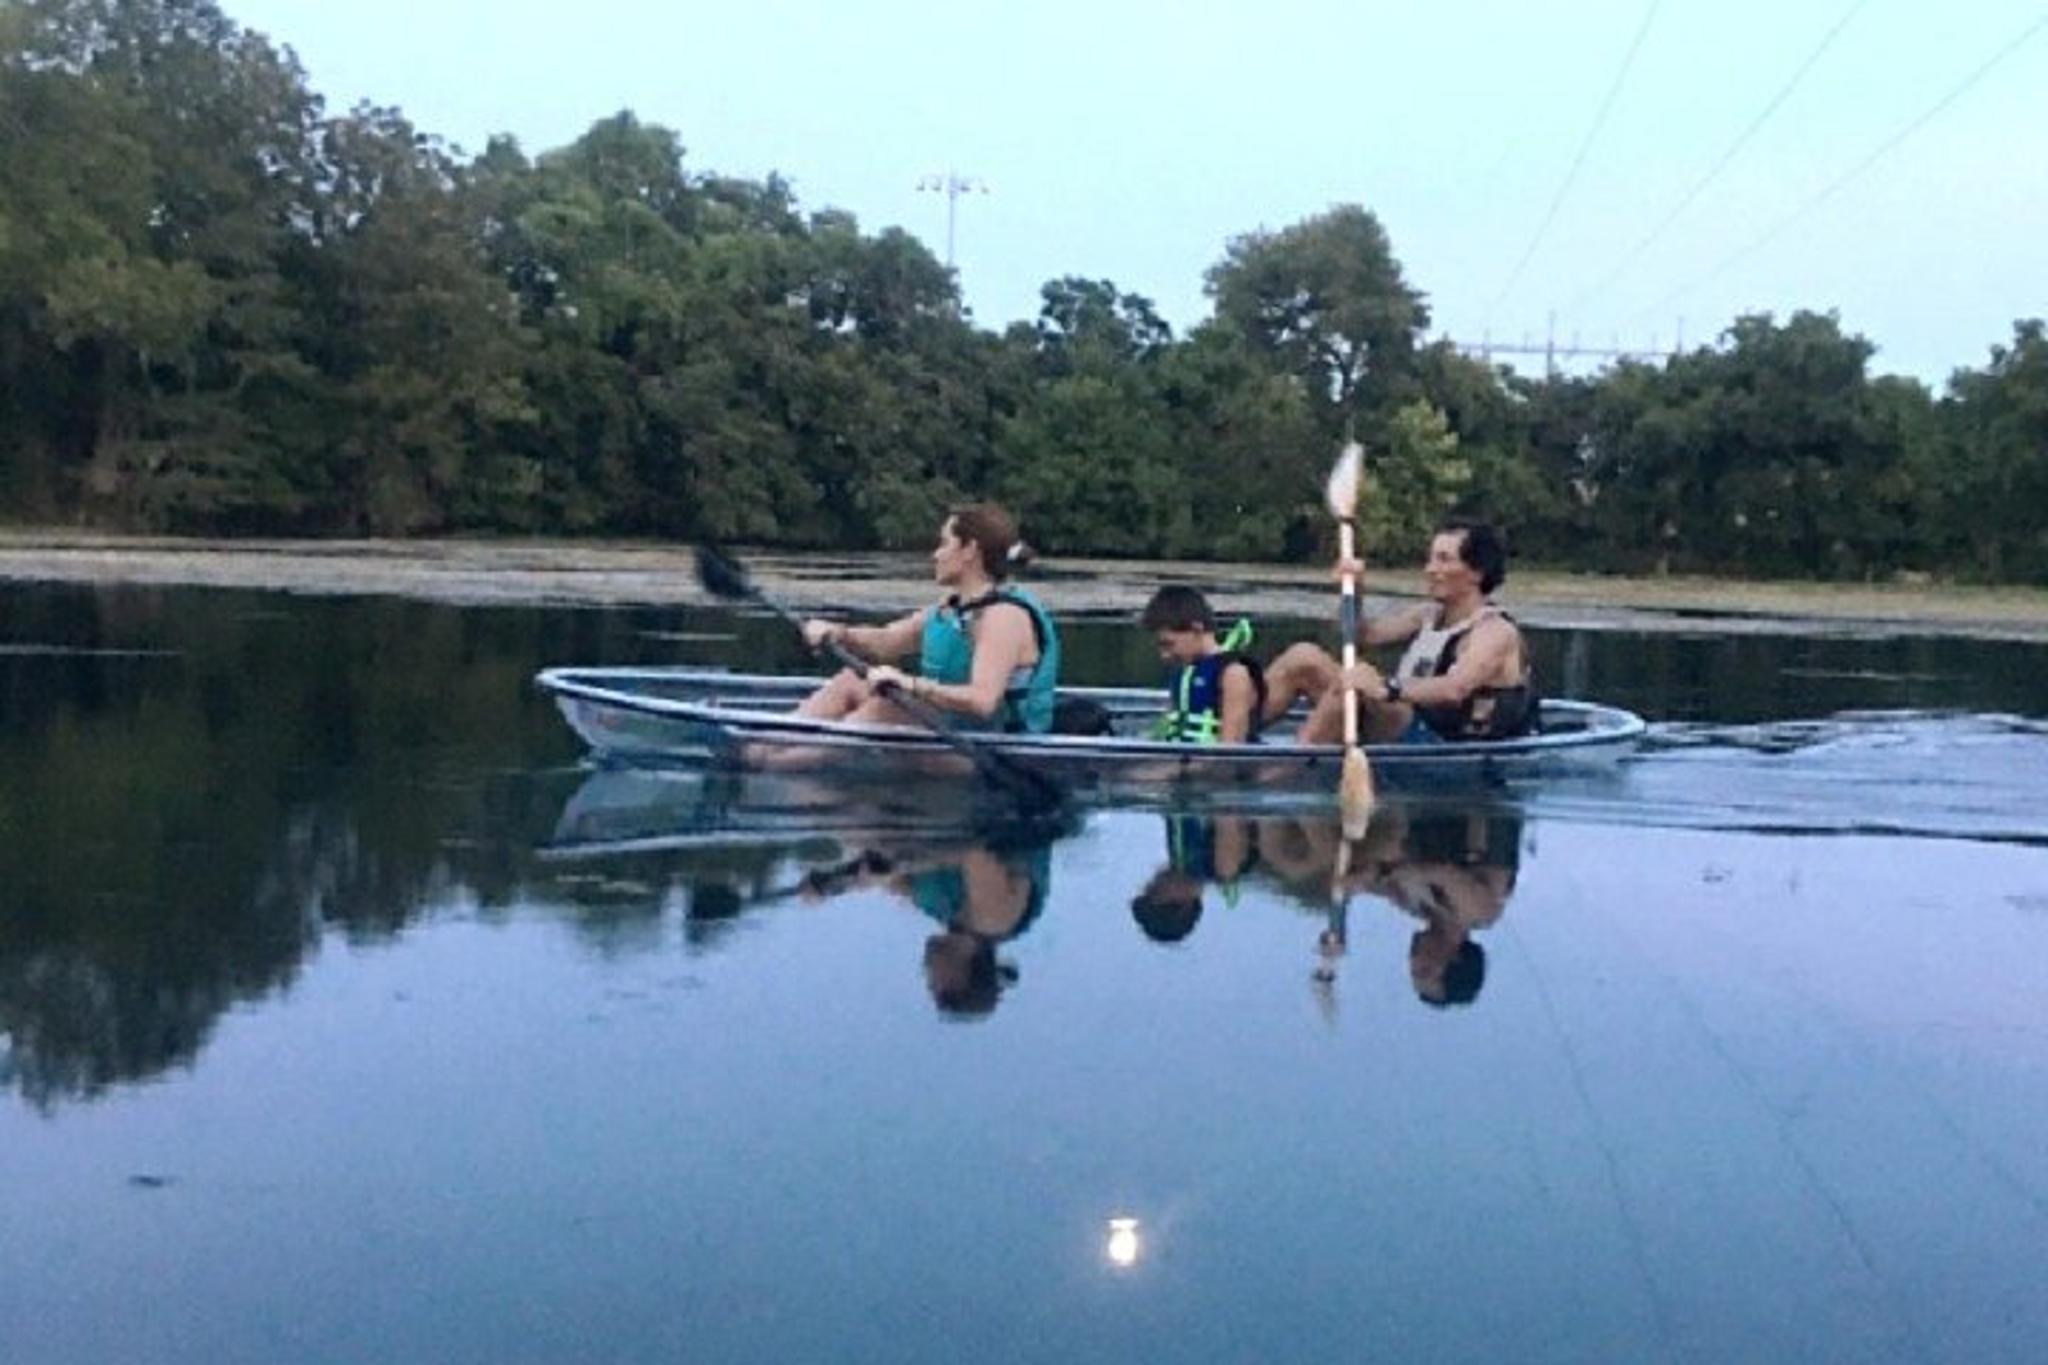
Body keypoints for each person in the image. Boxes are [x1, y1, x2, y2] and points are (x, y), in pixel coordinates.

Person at [1263, 517, 1535, 745]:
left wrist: (1386, 688)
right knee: (1304, 657)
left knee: (1356, 683)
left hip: (1441, 743)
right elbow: (1361, 636)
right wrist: (1355, 590)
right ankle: (1230, 743)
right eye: (1430, 559)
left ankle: (1289, 769)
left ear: (1476, 573)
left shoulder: (1494, 632)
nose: (1430, 570)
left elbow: (1455, 689)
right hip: (1401, 724)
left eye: (1444, 560)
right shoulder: (1427, 615)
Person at [797, 503, 1060, 733]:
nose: (935, 555)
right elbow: (887, 641)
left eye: (944, 544)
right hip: (954, 729)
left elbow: (982, 701)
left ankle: (783, 770)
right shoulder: (952, 608)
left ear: (970, 550)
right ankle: (762, 754)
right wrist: (839, 633)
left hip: (998, 749)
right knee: (851, 680)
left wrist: (909, 684)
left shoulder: (1003, 618)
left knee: (883, 712)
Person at [1138, 586, 1265, 744]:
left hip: (1209, 764)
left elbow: (1230, 748)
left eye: (1168, 644)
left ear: (1196, 629)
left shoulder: (1233, 674)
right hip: (1181, 758)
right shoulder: (1184, 672)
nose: (1164, 655)